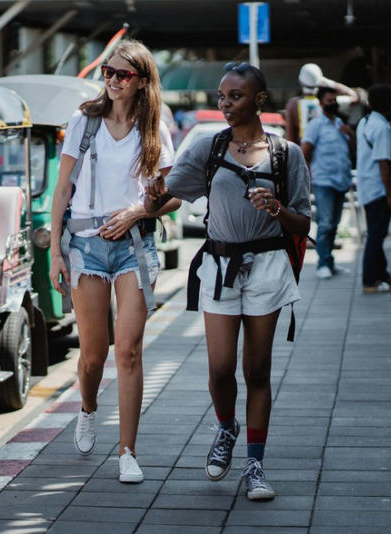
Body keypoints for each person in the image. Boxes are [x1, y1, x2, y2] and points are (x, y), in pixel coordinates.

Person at [146, 62, 311, 500]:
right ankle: (226, 428)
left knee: (256, 370)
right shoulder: (207, 147)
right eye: (221, 96)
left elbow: (302, 223)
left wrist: (276, 208)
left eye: (234, 96)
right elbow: (171, 192)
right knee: (220, 370)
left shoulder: (286, 154)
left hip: (269, 267)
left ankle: (254, 464)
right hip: (219, 268)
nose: (225, 104)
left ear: (258, 100)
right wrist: (148, 196)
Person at [49, 39, 179, 483]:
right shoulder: (84, 120)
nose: (112, 80)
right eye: (108, 71)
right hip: (85, 244)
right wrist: (54, 253)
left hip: (135, 246)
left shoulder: (153, 127)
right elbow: (62, 190)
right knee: (92, 354)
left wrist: (140, 211)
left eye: (122, 74)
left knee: (128, 351)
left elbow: (173, 195)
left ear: (142, 81)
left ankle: (127, 451)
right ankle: (87, 408)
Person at [301, 86, 355, 279]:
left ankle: (330, 261)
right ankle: (322, 263)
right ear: (321, 102)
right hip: (324, 181)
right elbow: (305, 150)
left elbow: (351, 149)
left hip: (341, 179)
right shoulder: (316, 125)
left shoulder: (339, 122)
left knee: (335, 224)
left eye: (334, 100)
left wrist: (349, 133)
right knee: (325, 224)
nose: (333, 103)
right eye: (329, 100)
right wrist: (307, 177)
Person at [356, 84, 391, 293]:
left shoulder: (364, 122)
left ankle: (382, 274)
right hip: (378, 188)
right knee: (376, 236)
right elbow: (383, 163)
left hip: (366, 186)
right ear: (390, 104)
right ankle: (369, 281)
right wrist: (390, 195)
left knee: (376, 233)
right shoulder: (382, 128)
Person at [285, 63, 359, 144]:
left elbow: (290, 138)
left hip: (303, 151)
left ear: (301, 81)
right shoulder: (327, 101)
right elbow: (354, 96)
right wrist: (328, 82)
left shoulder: (292, 104)